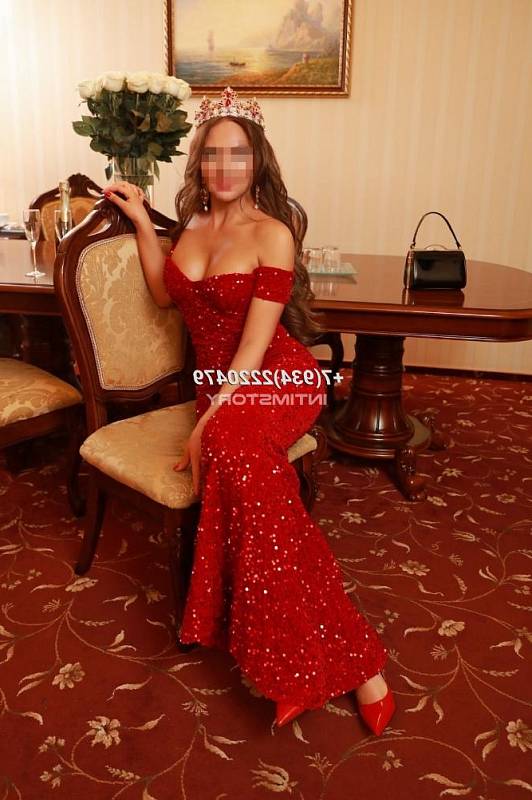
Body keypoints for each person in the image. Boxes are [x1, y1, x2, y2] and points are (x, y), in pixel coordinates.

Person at [103, 86, 395, 734]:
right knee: (251, 477)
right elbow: (165, 293)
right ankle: (355, 662)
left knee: (231, 451)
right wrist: (145, 223)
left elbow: (256, 349)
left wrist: (205, 427)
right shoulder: (193, 227)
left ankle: (346, 659)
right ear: (199, 162)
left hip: (278, 377)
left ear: (257, 160)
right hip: (221, 386)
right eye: (213, 154)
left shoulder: (273, 234)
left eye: (238, 153)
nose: (225, 166)